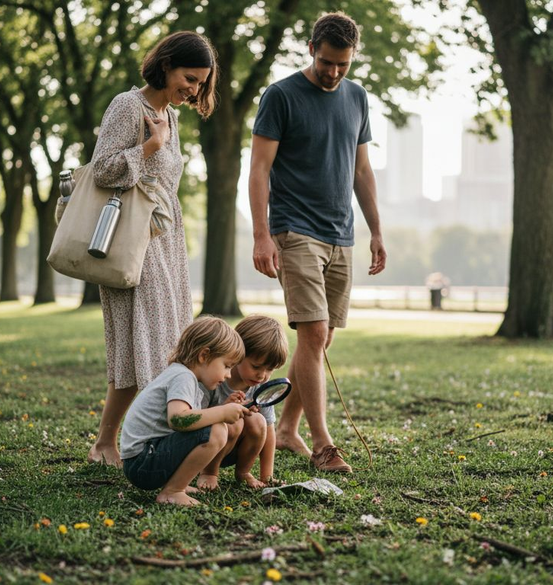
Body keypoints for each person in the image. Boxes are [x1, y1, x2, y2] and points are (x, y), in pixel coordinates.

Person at [248, 12, 386, 473]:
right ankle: (324, 444)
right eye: (327, 62)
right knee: (310, 333)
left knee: (322, 337)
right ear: (311, 49)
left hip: (341, 233)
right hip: (294, 229)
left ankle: (286, 430)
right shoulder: (281, 96)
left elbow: (361, 170)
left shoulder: (357, 97)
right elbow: (260, 170)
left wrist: (376, 231)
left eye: (343, 65)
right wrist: (262, 234)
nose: (333, 72)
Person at [87, 32, 219, 467]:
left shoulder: (171, 115)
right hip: (132, 238)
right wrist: (151, 146)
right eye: (189, 78)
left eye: (200, 83)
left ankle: (108, 442)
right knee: (147, 343)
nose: (194, 89)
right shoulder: (128, 106)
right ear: (165, 66)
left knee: (152, 343)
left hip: (165, 239)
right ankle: (143, 442)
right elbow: (103, 169)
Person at [119, 317, 252, 507]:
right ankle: (173, 491)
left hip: (143, 459)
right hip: (143, 463)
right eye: (227, 365)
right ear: (204, 355)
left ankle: (177, 484)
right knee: (217, 431)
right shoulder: (183, 377)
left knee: (214, 428)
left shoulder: (184, 376)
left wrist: (223, 407)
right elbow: (178, 420)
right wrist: (221, 414)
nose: (229, 374)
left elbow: (193, 421)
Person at [205, 315, 290, 488]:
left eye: (270, 369)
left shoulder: (261, 387)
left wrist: (267, 476)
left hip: (234, 450)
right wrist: (224, 410)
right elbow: (196, 420)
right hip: (204, 448)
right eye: (256, 366)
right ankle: (209, 472)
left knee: (258, 420)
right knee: (234, 422)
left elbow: (268, 430)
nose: (262, 375)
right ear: (238, 354)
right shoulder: (215, 379)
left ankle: (243, 472)